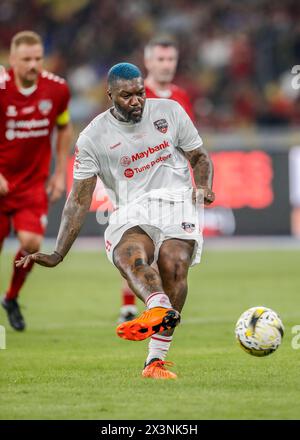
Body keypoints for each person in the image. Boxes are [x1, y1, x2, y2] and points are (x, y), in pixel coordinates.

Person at [17, 63, 215, 379]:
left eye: (140, 93)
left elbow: (199, 157)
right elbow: (79, 200)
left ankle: (155, 361)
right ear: (110, 95)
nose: (136, 101)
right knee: (129, 255)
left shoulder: (170, 112)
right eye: (127, 96)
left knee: (174, 262)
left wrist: (203, 185)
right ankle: (159, 305)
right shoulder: (93, 138)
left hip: (177, 202)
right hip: (132, 208)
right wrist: (58, 253)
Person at [119, 38, 195, 322]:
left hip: (175, 187)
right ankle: (129, 306)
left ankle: (157, 308)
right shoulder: (136, 94)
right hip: (139, 184)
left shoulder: (181, 97)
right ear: (148, 62)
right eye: (160, 59)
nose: (166, 65)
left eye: (171, 59)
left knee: (170, 255)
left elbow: (189, 142)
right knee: (137, 245)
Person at [0, 31, 72, 331]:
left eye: (38, 58)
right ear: (12, 60)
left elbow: (64, 128)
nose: (33, 65)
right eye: (26, 59)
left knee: (31, 243)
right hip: (1, 182)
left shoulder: (56, 90)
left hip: (32, 183)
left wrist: (59, 172)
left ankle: (11, 297)